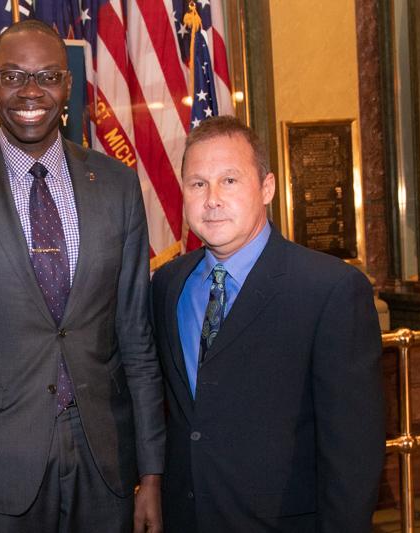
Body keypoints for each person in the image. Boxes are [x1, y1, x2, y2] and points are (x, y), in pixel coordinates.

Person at [0, 19, 164, 533]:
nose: (30, 91)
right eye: (13, 76)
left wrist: (152, 473)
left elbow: (137, 338)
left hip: (105, 462)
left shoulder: (116, 184)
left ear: (69, 86)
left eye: (47, 77)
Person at [151, 115, 385, 532]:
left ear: (267, 188)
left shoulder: (330, 290)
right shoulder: (169, 284)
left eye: (230, 180)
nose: (212, 199)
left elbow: (354, 451)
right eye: (197, 183)